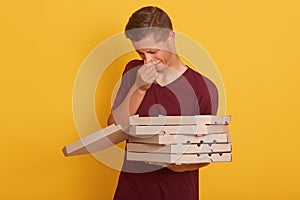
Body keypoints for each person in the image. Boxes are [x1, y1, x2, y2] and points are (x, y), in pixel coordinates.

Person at [107, 6, 218, 200]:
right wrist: (139, 88)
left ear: (170, 38)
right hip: (132, 190)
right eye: (141, 53)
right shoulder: (133, 71)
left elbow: (208, 151)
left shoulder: (203, 88)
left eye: (153, 51)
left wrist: (179, 165)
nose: (147, 61)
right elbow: (113, 128)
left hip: (177, 191)